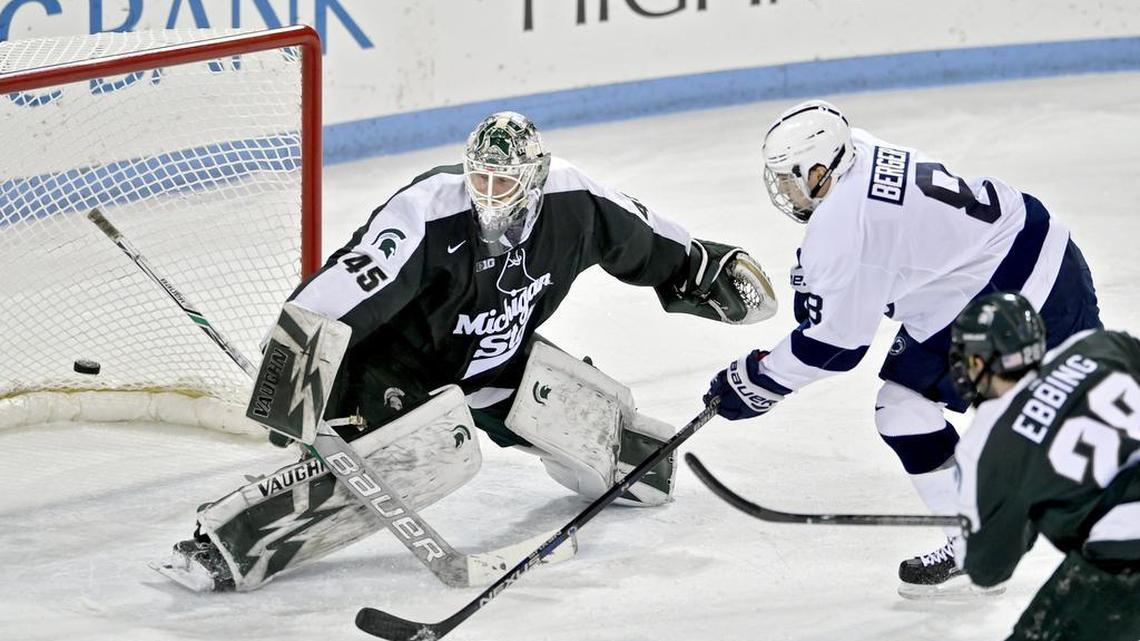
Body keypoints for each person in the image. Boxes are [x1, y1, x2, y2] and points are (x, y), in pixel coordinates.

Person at [156, 111, 777, 592]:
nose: (487, 192)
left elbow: (648, 239)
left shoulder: (573, 201)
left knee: (637, 472)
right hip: (388, 367)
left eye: (503, 179)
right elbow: (343, 291)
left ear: (534, 177)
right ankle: (232, 539)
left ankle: (603, 442)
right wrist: (294, 376)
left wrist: (701, 268)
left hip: (495, 363)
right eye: (478, 176)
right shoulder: (426, 210)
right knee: (428, 453)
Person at [702, 99, 1102, 597]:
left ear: (820, 170)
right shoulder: (858, 147)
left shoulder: (845, 225)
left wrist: (757, 381)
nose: (780, 189)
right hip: (1038, 248)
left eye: (787, 177)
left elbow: (837, 346)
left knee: (908, 409)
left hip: (1006, 292)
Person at [950, 292, 1139, 641]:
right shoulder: (1095, 345)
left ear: (978, 362)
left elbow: (988, 569)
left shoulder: (988, 440)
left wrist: (1017, 519)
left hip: (1125, 552)